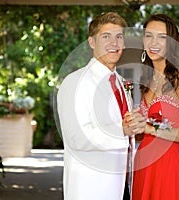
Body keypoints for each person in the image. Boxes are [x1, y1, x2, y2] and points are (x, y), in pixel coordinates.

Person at [57, 12, 146, 200]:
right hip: (91, 188)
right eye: (106, 36)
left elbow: (124, 129)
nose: (114, 43)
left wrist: (137, 126)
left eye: (119, 37)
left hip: (122, 184)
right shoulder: (75, 82)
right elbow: (76, 137)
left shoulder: (119, 82)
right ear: (91, 42)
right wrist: (121, 130)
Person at [132, 14, 179, 200]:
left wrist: (150, 128)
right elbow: (144, 135)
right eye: (149, 35)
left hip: (168, 168)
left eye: (162, 37)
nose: (154, 42)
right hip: (143, 166)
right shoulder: (147, 79)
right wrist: (133, 127)